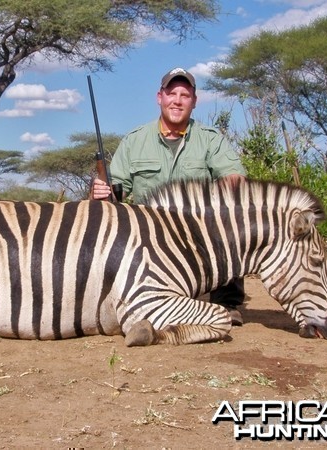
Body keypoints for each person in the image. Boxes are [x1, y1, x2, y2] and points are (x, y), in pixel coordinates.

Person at [91, 67, 247, 325]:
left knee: (233, 218)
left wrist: (228, 189)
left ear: (194, 102)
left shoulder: (210, 140)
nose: (177, 100)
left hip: (196, 232)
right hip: (148, 237)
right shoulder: (134, 140)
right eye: (171, 93)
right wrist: (99, 191)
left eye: (184, 95)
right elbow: (115, 194)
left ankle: (226, 303)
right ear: (159, 97)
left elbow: (235, 177)